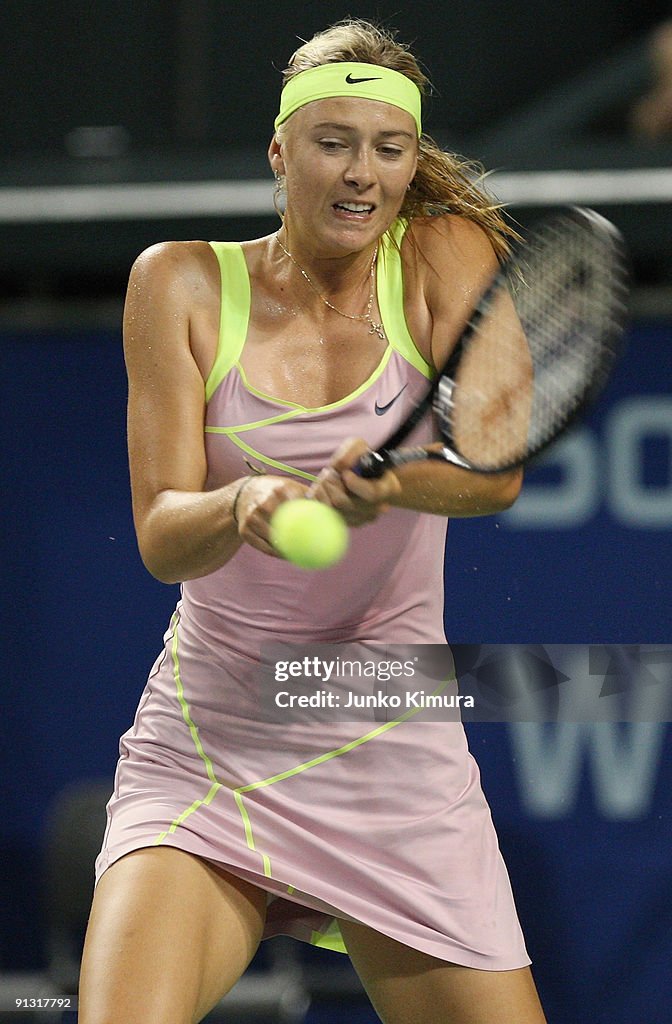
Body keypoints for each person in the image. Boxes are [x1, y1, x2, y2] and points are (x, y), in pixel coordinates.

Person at [78, 18, 547, 1024]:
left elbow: (496, 471)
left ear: (413, 162)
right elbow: (163, 533)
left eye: (389, 149)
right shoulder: (179, 282)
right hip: (214, 733)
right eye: (333, 142)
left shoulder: (447, 252)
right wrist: (244, 500)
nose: (361, 175)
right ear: (279, 151)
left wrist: (393, 482)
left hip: (388, 732)